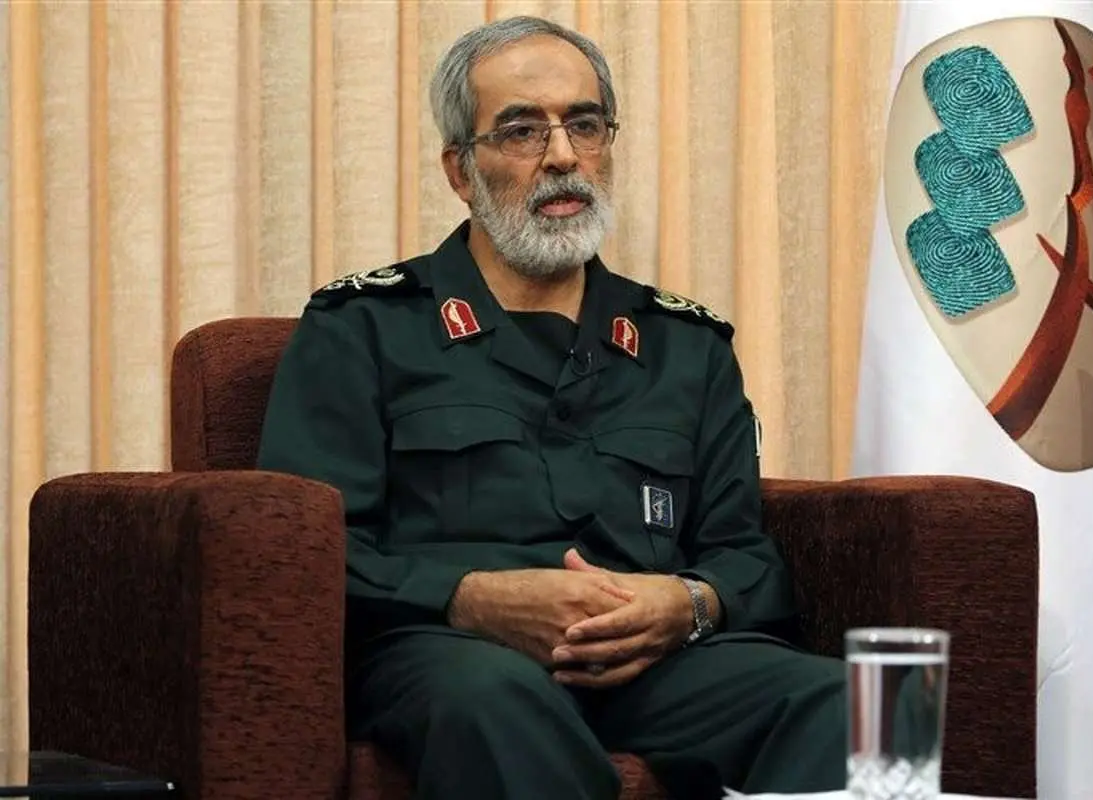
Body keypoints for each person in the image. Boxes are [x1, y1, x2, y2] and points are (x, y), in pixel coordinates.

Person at [257, 15, 848, 800]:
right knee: (497, 701)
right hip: (447, 653)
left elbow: (744, 555)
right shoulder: (364, 328)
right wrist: (469, 599)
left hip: (652, 664)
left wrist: (686, 604)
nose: (563, 155)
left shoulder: (685, 345)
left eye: (585, 125)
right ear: (461, 171)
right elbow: (306, 549)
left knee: (852, 705)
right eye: (522, 131)